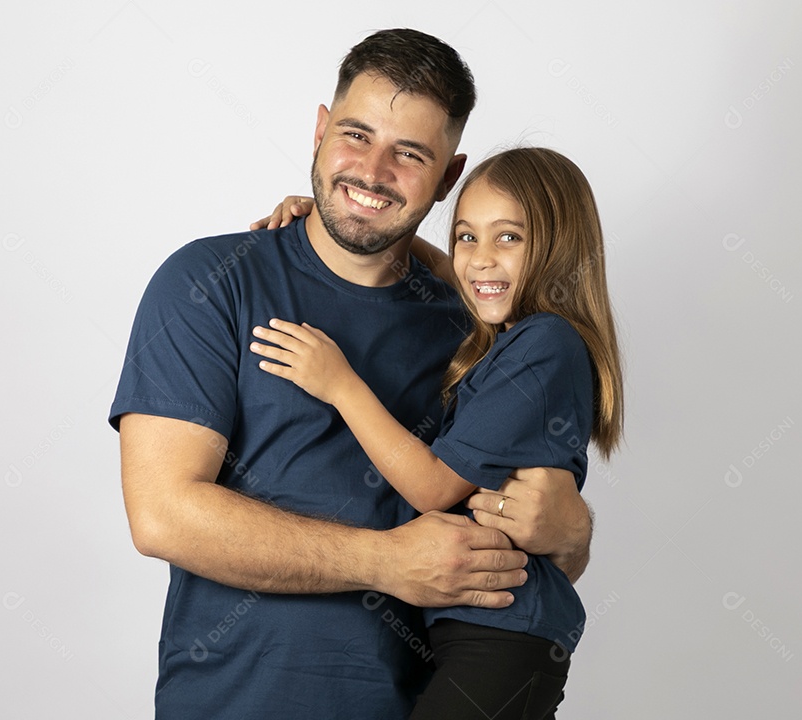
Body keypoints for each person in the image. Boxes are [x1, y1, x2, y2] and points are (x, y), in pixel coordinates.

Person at [109, 29, 592, 719]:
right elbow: (162, 516)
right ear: (319, 128)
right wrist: (388, 562)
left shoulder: (478, 327)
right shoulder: (208, 283)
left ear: (447, 177)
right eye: (356, 136)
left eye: (410, 155)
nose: (371, 171)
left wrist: (571, 531)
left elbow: (524, 551)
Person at [248, 147, 624, 719]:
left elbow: (432, 488)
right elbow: (466, 276)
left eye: (509, 238)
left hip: (504, 633)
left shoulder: (545, 343)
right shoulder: (514, 336)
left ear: (559, 247)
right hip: (476, 631)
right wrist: (339, 225)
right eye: (466, 237)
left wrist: (340, 385)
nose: (480, 260)